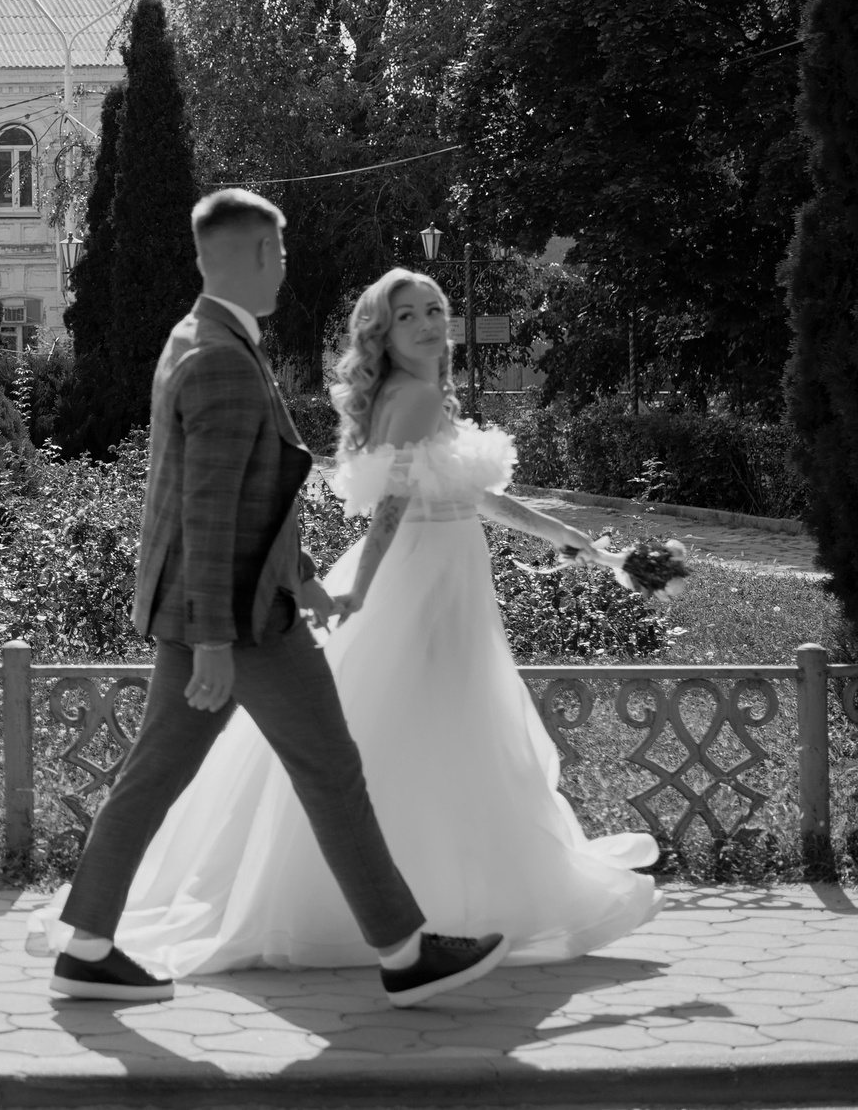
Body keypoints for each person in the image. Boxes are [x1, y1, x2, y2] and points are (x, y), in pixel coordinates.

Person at [42, 255, 661, 985]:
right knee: (380, 753)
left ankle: (90, 943)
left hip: (416, 584)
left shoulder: (414, 393)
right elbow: (390, 509)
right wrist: (355, 591)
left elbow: (469, 495)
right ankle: (407, 943)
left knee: (360, 751)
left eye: (434, 309)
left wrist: (573, 538)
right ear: (382, 333)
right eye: (408, 315)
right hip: (414, 589)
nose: (428, 323)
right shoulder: (399, 396)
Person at [41, 189, 510, 1009]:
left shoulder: (200, 335)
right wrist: (222, 639)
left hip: (215, 606)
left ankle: (86, 945)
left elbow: (248, 489)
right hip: (238, 621)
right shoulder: (221, 355)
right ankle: (405, 952)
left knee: (152, 776)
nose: (286, 267)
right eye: (283, 253)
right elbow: (210, 509)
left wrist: (300, 578)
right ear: (260, 253)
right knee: (331, 769)